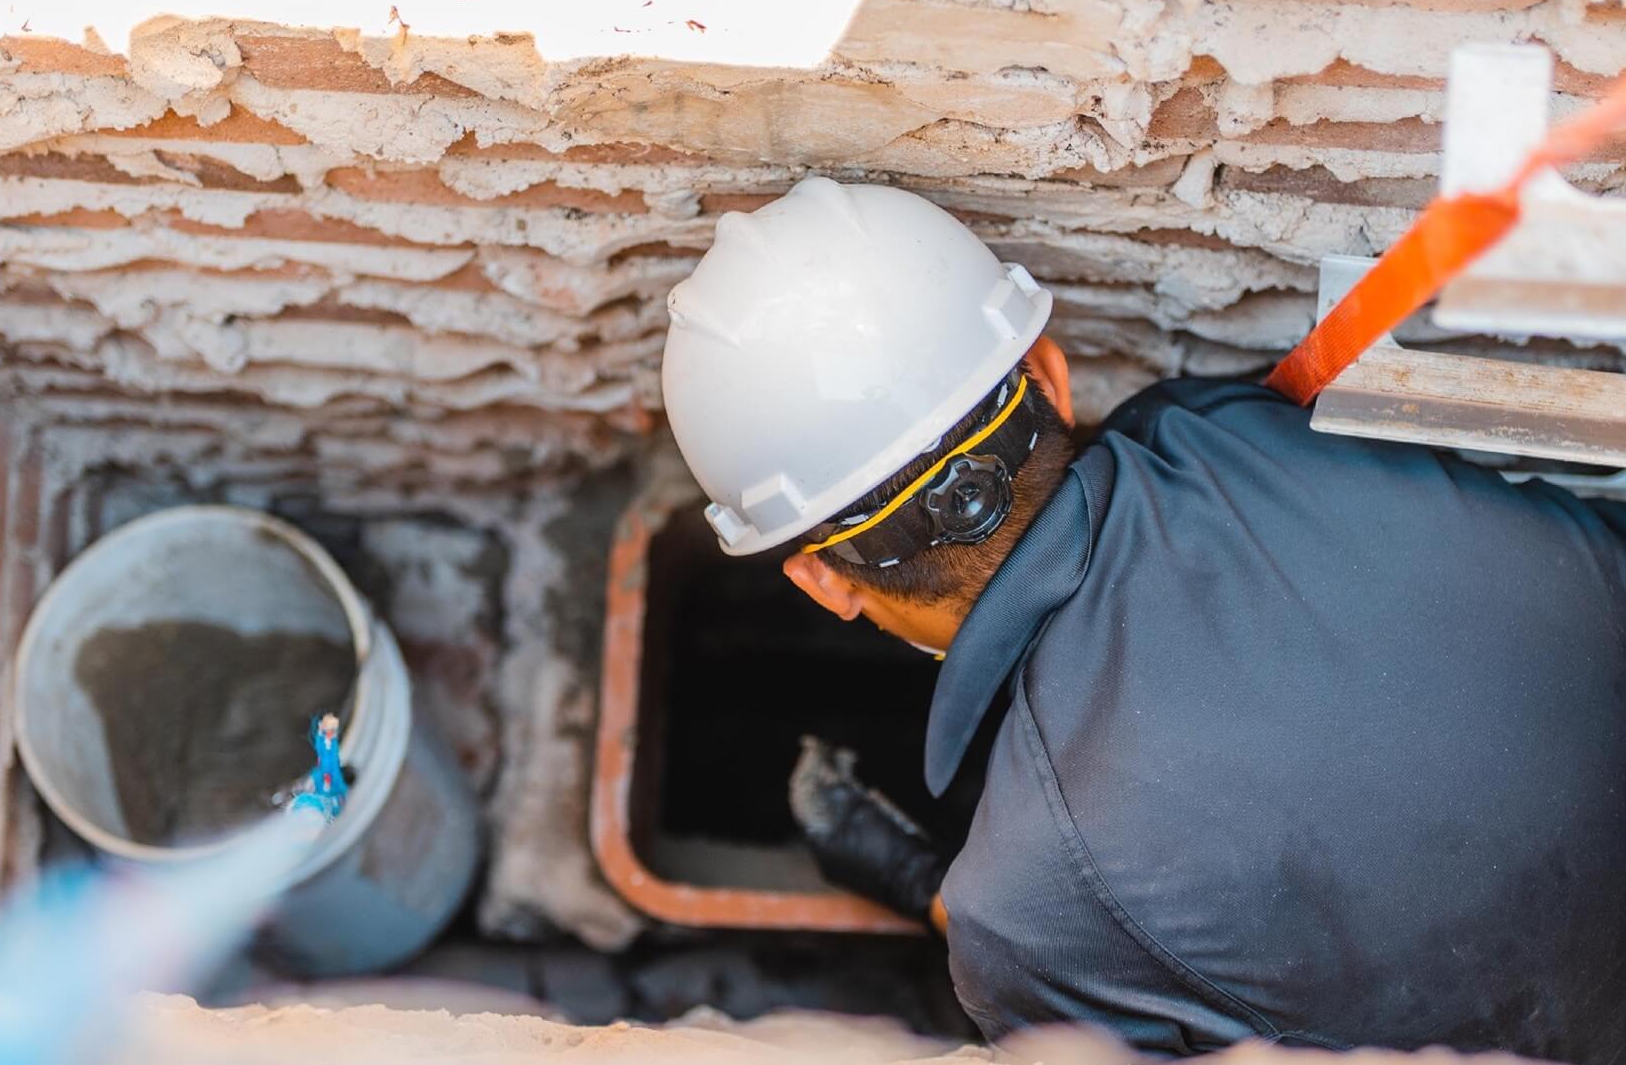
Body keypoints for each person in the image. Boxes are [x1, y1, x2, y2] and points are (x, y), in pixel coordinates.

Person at [660, 177, 1626, 1061]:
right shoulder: (1224, 435)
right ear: (1049, 370)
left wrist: (938, 898)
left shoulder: (1028, 913)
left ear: (823, 583)